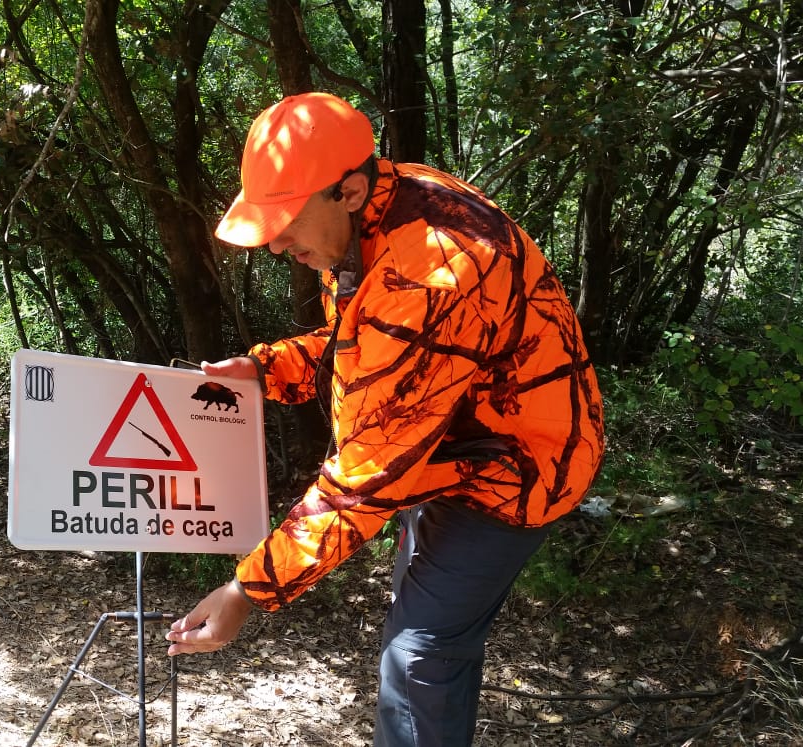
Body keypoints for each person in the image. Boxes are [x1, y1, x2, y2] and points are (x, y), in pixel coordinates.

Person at [164, 92, 605, 746]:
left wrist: (244, 591)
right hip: (449, 448)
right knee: (426, 635)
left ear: (347, 189)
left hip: (521, 466)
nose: (277, 241)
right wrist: (271, 367)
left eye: (285, 220)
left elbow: (363, 480)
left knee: (420, 655)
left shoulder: (431, 270)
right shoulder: (387, 206)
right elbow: (366, 341)